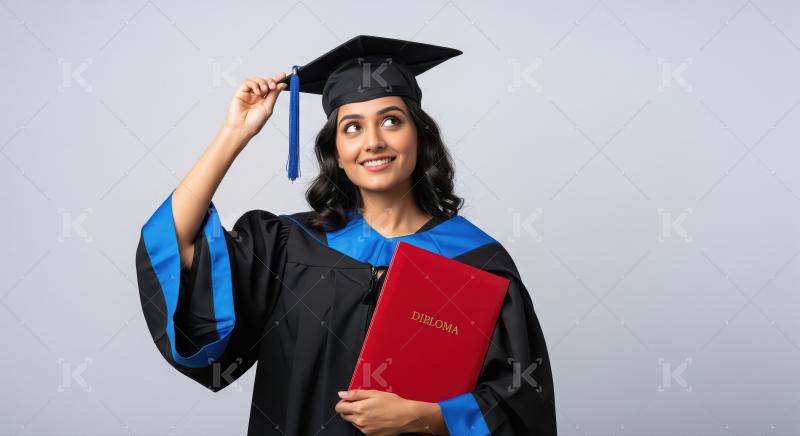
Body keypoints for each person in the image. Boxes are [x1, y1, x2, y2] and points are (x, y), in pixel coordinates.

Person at [135, 35, 557, 435]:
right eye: (352, 127)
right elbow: (176, 243)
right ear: (335, 151)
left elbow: (520, 404)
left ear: (419, 135)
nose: (373, 142)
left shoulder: (476, 261)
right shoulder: (289, 245)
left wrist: (424, 417)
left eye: (391, 121)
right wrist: (235, 134)